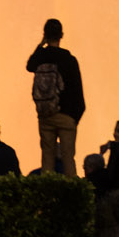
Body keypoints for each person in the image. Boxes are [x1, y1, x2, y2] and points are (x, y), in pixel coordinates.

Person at [26, 18, 86, 176]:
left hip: (46, 115)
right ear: (62, 35)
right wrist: (76, 116)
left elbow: (29, 65)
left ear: (45, 35)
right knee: (68, 160)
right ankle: (71, 196)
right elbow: (77, 90)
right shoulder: (69, 60)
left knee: (47, 160)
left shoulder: (41, 57)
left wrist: (41, 45)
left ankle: (47, 194)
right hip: (66, 115)